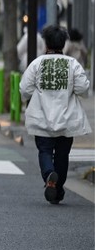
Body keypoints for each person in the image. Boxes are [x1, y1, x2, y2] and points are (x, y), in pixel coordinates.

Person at [20, 25, 91, 204]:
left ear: (46, 44)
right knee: (62, 155)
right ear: (63, 43)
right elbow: (83, 88)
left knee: (44, 150)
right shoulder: (72, 64)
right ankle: (58, 190)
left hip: (41, 118)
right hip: (67, 119)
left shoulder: (38, 63)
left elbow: (24, 89)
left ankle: (49, 176)